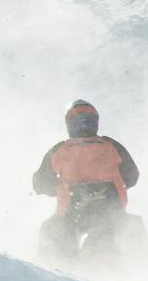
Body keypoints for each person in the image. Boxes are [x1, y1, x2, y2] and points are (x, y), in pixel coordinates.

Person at [30, 99, 141, 263]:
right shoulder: (111, 145)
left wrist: (59, 188)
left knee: (51, 230)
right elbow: (132, 176)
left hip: (71, 214)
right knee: (134, 226)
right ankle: (146, 270)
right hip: (112, 213)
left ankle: (51, 274)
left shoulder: (59, 150)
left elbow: (40, 183)